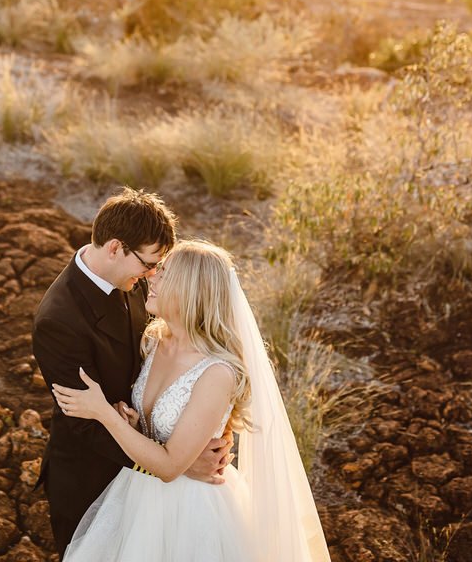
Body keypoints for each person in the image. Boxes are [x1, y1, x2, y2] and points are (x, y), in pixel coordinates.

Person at [53, 240, 331, 562]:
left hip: (191, 512)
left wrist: (103, 413)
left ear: (190, 289)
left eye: (164, 273)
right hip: (137, 497)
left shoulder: (217, 373)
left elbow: (171, 466)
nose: (150, 278)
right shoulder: (156, 341)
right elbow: (158, 436)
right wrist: (133, 424)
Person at [31, 189, 232, 553]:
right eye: (148, 264)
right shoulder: (59, 321)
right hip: (89, 474)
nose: (152, 276)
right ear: (114, 248)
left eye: (159, 267)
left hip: (160, 482)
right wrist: (180, 464)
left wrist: (210, 430)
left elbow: (189, 365)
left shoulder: (137, 280)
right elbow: (86, 422)